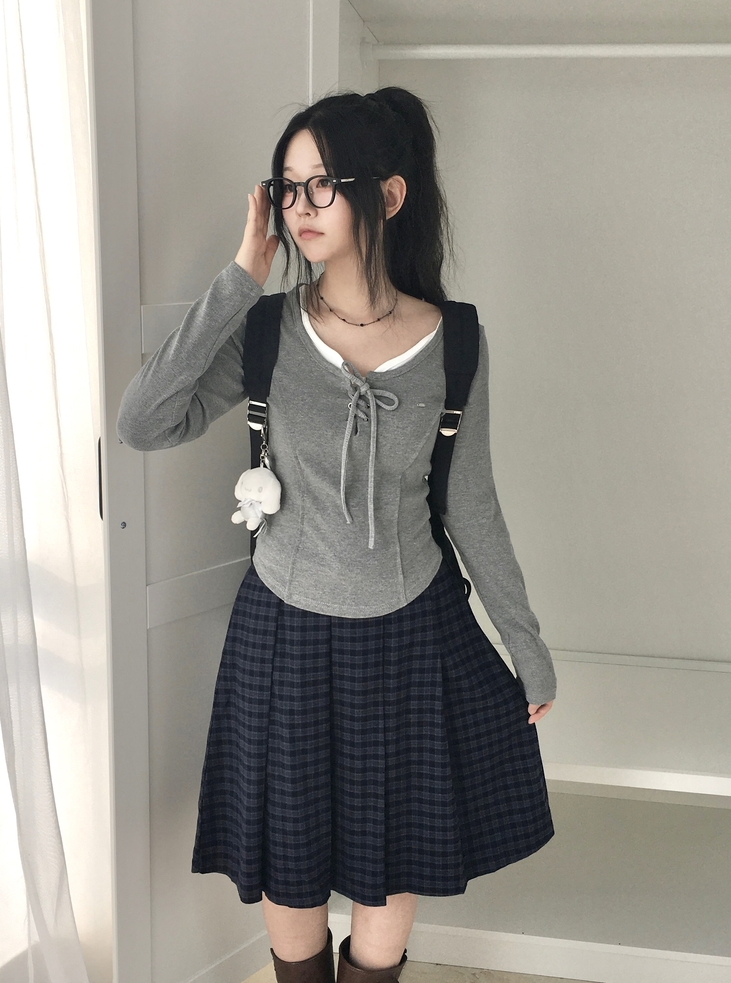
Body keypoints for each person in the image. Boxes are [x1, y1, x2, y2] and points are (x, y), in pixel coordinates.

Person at [117, 87, 557, 983]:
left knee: (394, 851)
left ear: (386, 195)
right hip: (283, 625)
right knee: (290, 852)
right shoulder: (267, 331)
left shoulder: (456, 342)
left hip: (414, 628)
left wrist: (527, 643)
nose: (299, 206)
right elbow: (144, 421)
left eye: (322, 184)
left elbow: (471, 504)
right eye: (288, 186)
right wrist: (239, 280)